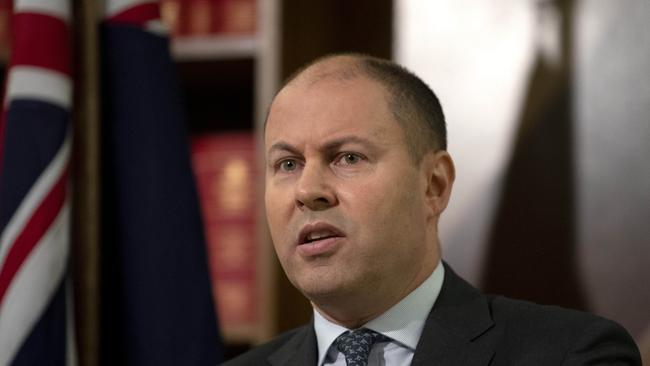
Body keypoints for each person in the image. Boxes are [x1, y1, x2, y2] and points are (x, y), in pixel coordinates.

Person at [223, 54, 641, 365]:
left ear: (434, 185)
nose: (308, 190)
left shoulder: (572, 355)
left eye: (347, 157)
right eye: (288, 164)